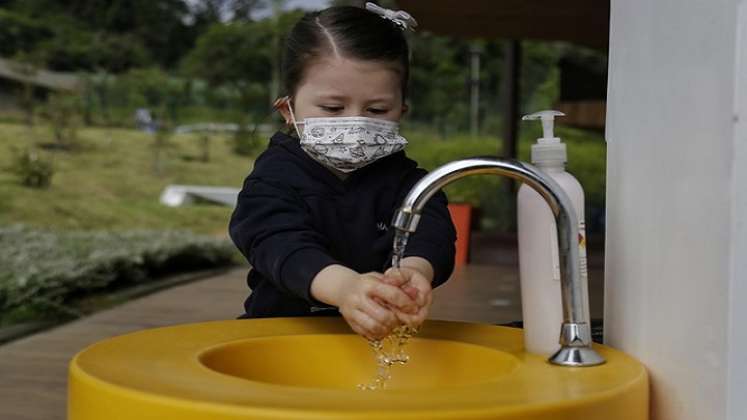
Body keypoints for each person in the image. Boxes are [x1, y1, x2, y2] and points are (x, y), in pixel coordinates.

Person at [229, 3, 456, 340]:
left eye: (377, 109)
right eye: (333, 108)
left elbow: (432, 228)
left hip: (378, 340)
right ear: (288, 110)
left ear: (401, 111)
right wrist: (345, 288)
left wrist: (413, 271)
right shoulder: (274, 178)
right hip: (280, 338)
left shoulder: (405, 181)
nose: (355, 121)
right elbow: (277, 242)